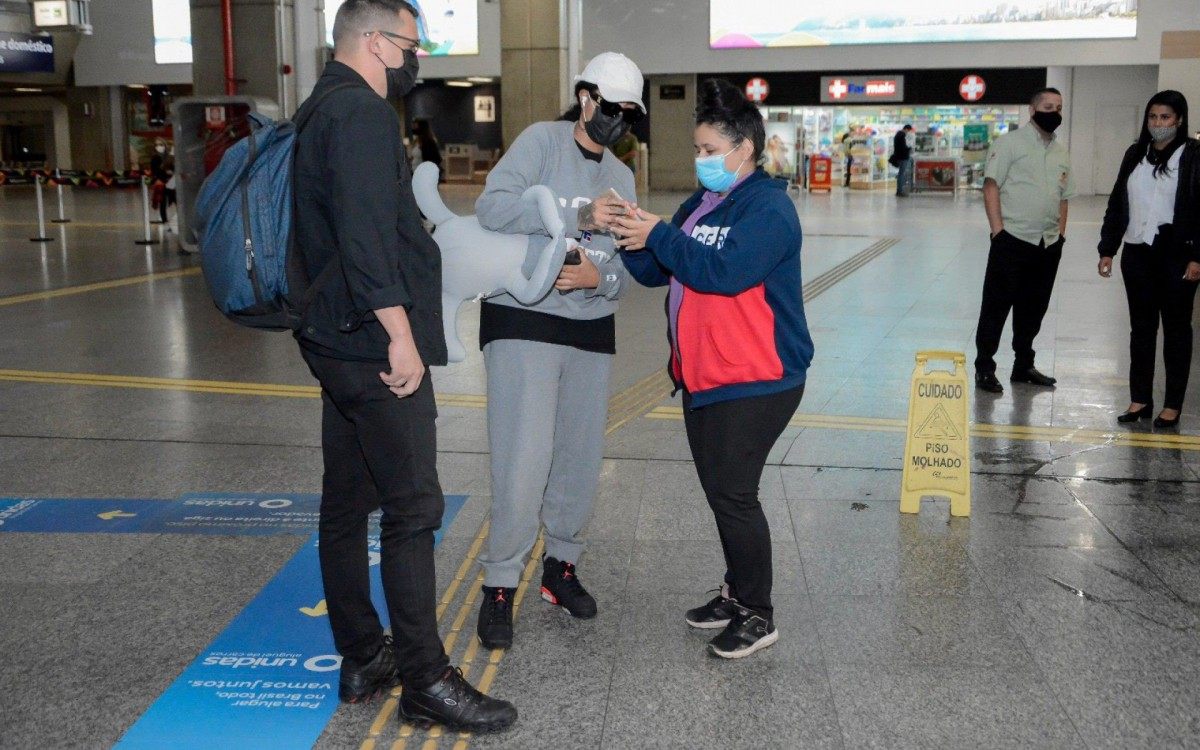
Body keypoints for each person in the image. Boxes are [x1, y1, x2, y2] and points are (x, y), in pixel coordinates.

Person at [290, 0, 516, 733]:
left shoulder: (319, 105)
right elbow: (363, 238)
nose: (417, 59)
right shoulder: (358, 114)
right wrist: (400, 335)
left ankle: (362, 654)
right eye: (412, 45)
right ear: (376, 41)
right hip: (367, 340)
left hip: (330, 336)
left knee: (346, 501)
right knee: (414, 509)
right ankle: (426, 679)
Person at [614, 78, 813, 659]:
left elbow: (722, 272)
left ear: (744, 149)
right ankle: (736, 592)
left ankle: (758, 611)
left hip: (758, 377)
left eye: (708, 150)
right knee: (720, 491)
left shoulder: (770, 209)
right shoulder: (701, 203)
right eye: (697, 150)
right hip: (703, 376)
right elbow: (659, 271)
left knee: (733, 492)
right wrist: (632, 233)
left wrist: (661, 234)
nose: (700, 160)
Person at [472, 52, 642, 650]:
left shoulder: (622, 176)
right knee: (523, 458)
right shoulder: (541, 143)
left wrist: (603, 281)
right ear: (585, 96)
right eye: (611, 107)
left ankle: (559, 568)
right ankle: (499, 583)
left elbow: (624, 263)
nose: (617, 121)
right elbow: (492, 207)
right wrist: (575, 212)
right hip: (525, 318)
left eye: (629, 113)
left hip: (591, 327)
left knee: (578, 458)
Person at [1098, 90, 1200, 429]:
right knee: (1141, 330)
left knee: (1176, 331)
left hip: (1176, 256)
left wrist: (1197, 256)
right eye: (1153, 117)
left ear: (1179, 120)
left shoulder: (1193, 156)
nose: (1158, 124)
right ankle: (1140, 399)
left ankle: (1172, 405)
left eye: (1165, 117)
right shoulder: (1135, 154)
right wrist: (1107, 249)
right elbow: (1117, 202)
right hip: (1137, 253)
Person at [974, 87, 1075, 394]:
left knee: (1034, 307)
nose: (1054, 111)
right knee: (996, 305)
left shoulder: (1061, 151)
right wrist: (998, 231)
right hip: (1012, 240)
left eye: (1058, 106)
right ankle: (985, 367)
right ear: (1033, 110)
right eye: (1047, 106)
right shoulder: (1010, 144)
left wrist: (1060, 237)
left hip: (1047, 244)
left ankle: (1023, 365)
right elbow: (991, 186)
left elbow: (1064, 197)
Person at [149, 140, 175, 226]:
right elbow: (155, 171)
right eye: (157, 145)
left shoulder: (169, 156)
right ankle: (164, 219)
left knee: (175, 199)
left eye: (160, 144)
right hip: (162, 181)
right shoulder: (155, 158)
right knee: (163, 201)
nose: (159, 146)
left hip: (170, 181)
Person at [893, 124, 913, 196]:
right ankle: (900, 191)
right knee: (902, 174)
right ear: (906, 129)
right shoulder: (902, 135)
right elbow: (902, 147)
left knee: (900, 174)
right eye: (908, 131)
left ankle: (899, 190)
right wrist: (909, 149)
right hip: (903, 157)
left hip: (899, 156)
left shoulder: (898, 134)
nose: (908, 133)